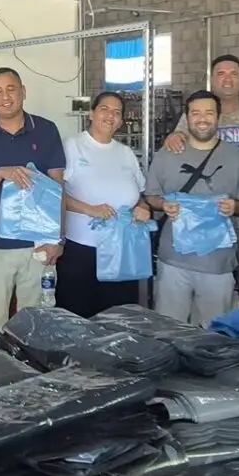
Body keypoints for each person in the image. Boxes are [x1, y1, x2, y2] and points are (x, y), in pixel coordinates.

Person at [160, 54, 239, 297]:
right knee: (209, 278)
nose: (227, 79)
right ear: (212, 79)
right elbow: (178, 142)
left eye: (234, 73)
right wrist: (173, 137)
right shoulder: (197, 113)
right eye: (220, 74)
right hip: (205, 215)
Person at [143, 91, 239, 325]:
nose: (202, 119)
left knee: (213, 333)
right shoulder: (167, 155)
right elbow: (150, 195)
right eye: (196, 113)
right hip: (172, 263)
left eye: (209, 113)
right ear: (187, 118)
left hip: (218, 264)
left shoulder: (236, 157)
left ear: (218, 117)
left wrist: (235, 207)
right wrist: (163, 204)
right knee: (168, 329)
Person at [0, 66, 66, 326]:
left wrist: (58, 239)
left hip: (38, 246)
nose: (5, 96)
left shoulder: (46, 129)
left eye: (11, 89)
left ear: (23, 92)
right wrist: (0, 173)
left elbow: (58, 189)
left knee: (36, 323)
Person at [58, 91, 150, 317]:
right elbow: (55, 195)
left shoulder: (126, 153)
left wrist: (143, 208)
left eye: (117, 112)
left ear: (121, 120)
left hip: (122, 251)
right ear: (91, 114)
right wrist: (90, 210)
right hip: (81, 250)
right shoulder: (72, 146)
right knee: (77, 317)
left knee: (119, 316)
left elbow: (140, 196)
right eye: (104, 109)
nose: (110, 116)